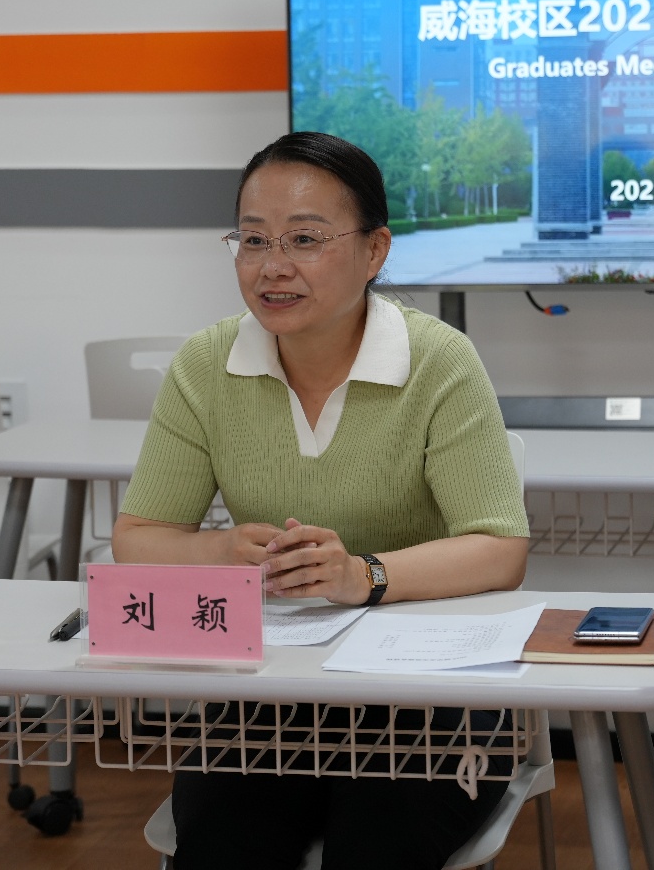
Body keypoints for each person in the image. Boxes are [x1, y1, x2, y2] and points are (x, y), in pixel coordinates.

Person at [112, 131, 529, 870]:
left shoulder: (440, 361)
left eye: (305, 239)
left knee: (375, 847)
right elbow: (137, 538)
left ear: (375, 251)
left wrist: (362, 575)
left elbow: (500, 547)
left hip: (431, 695)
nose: (273, 266)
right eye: (252, 240)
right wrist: (221, 550)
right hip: (270, 691)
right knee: (221, 847)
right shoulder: (207, 365)